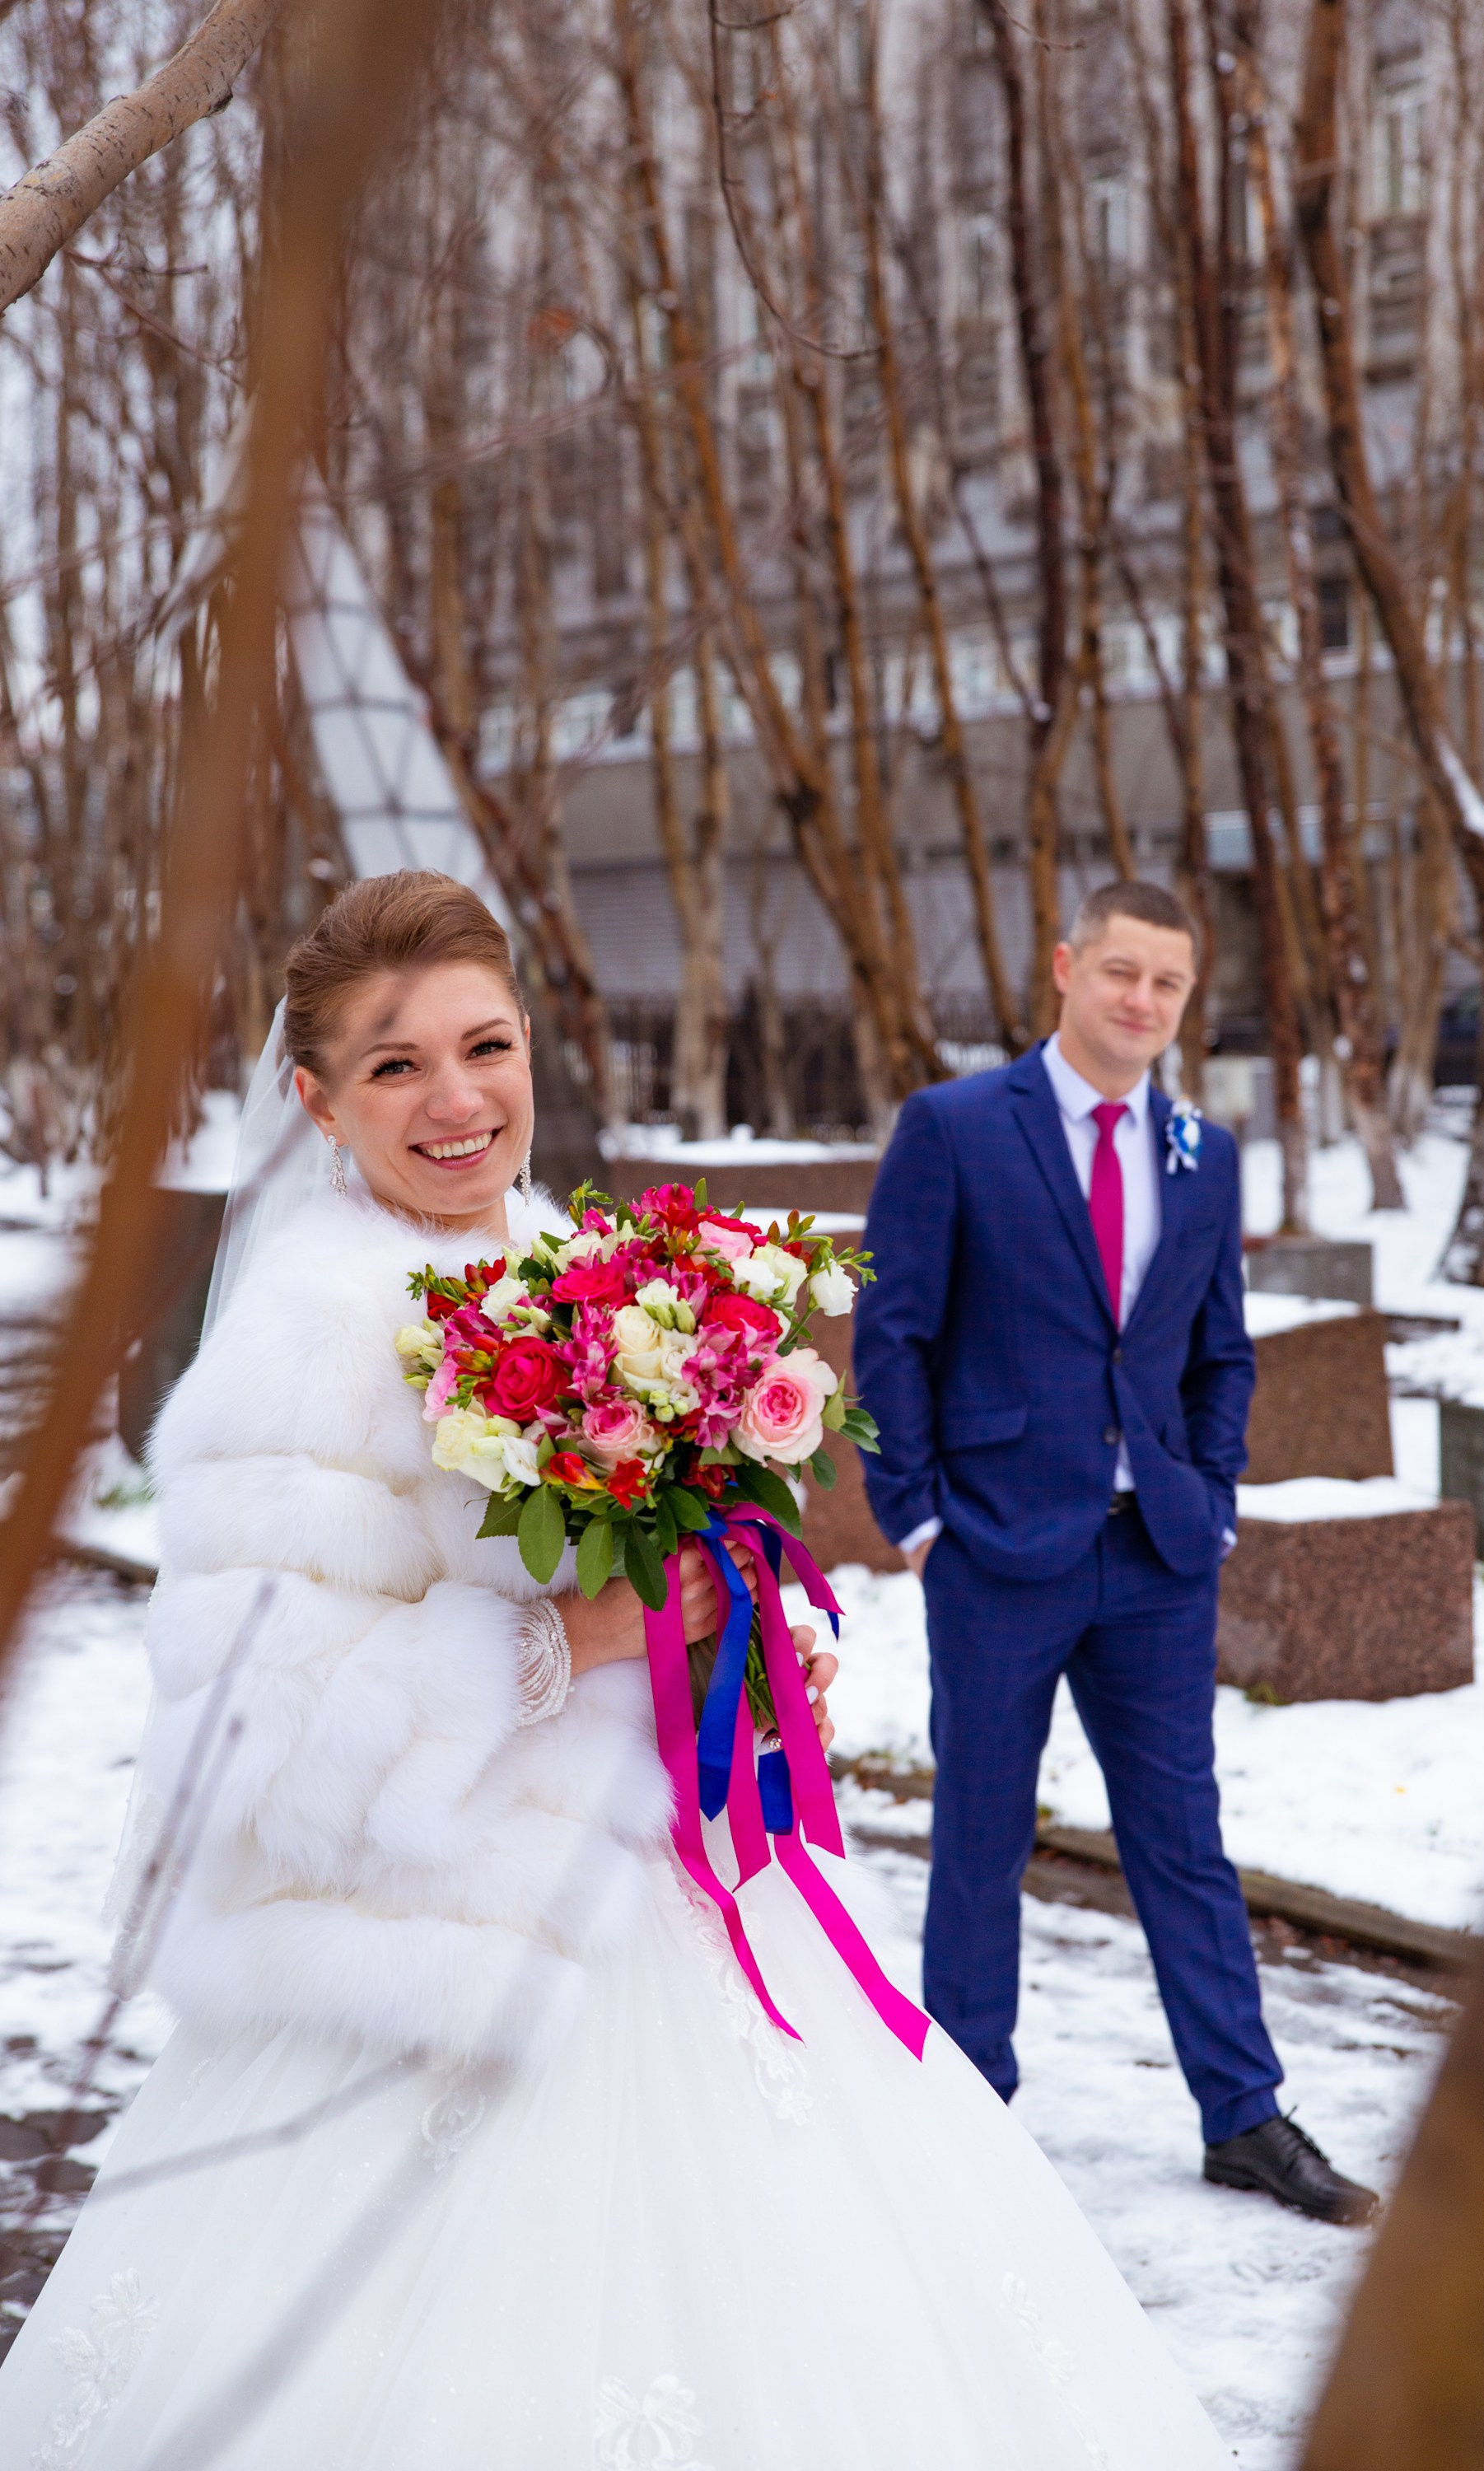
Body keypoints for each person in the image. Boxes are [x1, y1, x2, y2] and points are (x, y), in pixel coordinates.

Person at [0, 871, 1234, 2469]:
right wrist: (562, 1641)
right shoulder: (296, 1341)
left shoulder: (584, 1266)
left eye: (486, 1046)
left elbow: (665, 1546)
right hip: (434, 1965)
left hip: (688, 1876)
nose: (457, 1102)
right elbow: (262, 1744)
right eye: (393, 1066)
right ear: (314, 1098)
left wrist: (742, 1630)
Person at [854, 878, 1378, 2228]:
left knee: (1184, 1843)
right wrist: (912, 1517)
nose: (1141, 1002)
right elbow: (893, 1335)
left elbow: (1219, 1347)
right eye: (1120, 973)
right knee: (979, 1837)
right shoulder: (957, 1128)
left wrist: (1208, 1483)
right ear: (1067, 968)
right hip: (994, 1546)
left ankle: (1242, 2116)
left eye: (1169, 985)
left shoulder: (1203, 1149)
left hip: (1156, 1553)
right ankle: (966, 2105)